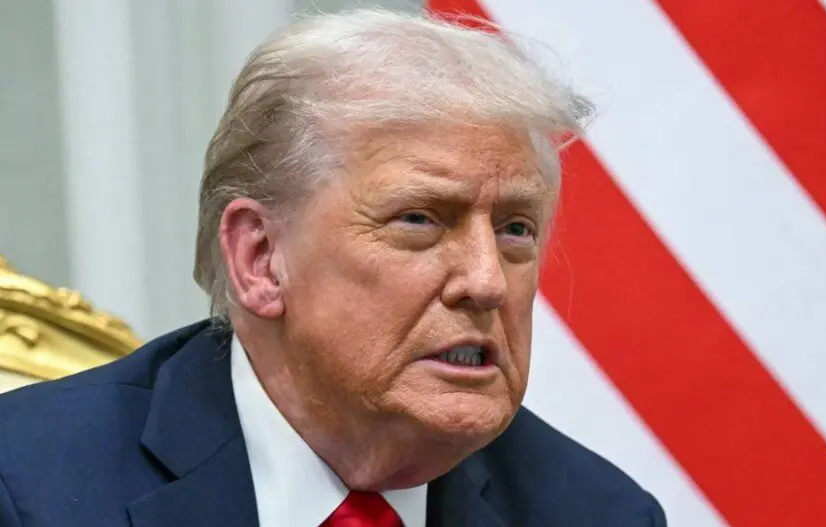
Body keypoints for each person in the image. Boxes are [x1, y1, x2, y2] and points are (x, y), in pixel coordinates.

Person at [0, 9, 665, 527]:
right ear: (259, 258)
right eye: (420, 220)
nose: (487, 280)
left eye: (515, 228)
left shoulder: (594, 511)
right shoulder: (29, 488)